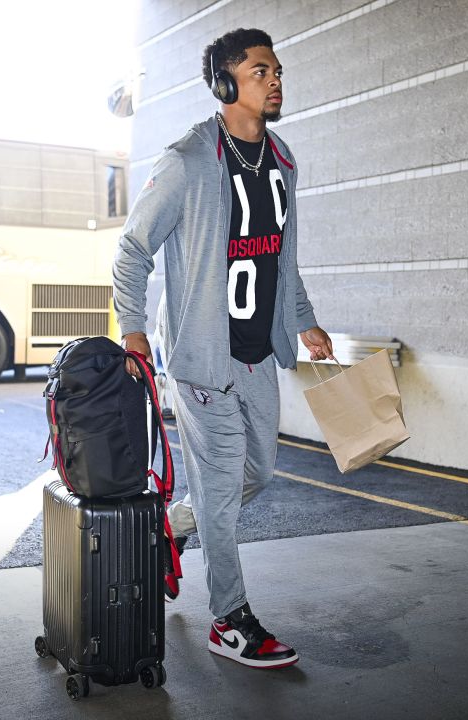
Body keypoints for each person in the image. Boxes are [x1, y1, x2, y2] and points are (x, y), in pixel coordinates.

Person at [112, 27, 334, 669]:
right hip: (202, 357)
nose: (275, 80)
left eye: (278, 71)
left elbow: (284, 259)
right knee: (218, 479)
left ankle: (170, 528)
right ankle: (229, 620)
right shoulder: (186, 161)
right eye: (261, 70)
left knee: (255, 475)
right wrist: (133, 331)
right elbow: (132, 250)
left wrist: (304, 321)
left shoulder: (282, 162)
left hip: (257, 353)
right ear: (224, 83)